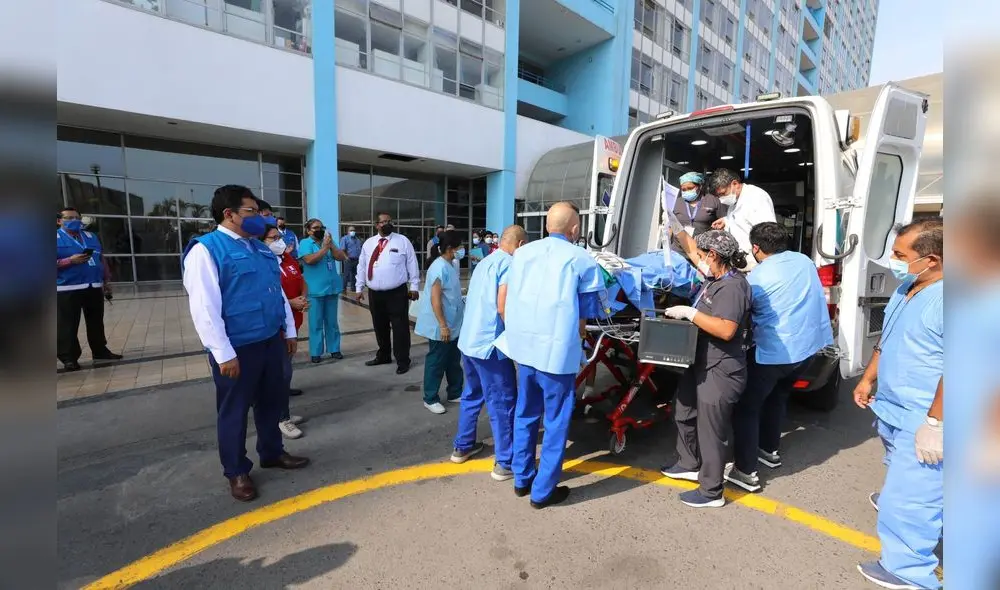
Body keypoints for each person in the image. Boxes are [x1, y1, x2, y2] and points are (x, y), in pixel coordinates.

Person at [182, 185, 308, 502]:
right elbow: (204, 308)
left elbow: (276, 293)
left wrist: (289, 331)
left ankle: (272, 452)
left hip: (270, 341)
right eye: (251, 211)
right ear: (230, 214)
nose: (259, 217)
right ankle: (237, 471)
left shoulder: (260, 247)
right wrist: (223, 354)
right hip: (237, 349)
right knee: (234, 411)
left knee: (271, 402)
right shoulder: (206, 250)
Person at [495, 202, 607, 509]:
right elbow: (588, 310)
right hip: (556, 354)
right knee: (556, 421)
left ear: (546, 226)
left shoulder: (522, 254)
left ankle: (522, 479)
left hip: (523, 348)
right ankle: (543, 491)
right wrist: (582, 333)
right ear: (574, 230)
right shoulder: (580, 258)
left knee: (526, 413)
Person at [854, 219, 943, 590]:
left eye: (900, 255)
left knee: (911, 503)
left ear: (932, 259)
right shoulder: (909, 285)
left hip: (925, 415)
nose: (892, 260)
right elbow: (887, 338)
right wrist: (869, 376)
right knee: (907, 481)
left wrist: (935, 425)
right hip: (895, 406)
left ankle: (909, 572)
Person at [725, 222, 833, 492]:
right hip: (807, 349)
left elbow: (738, 315)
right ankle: (768, 450)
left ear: (756, 248)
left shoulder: (756, 279)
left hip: (775, 353)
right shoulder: (804, 261)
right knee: (778, 396)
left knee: (746, 408)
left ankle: (745, 471)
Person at [659, 230, 752, 508]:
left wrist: (690, 314)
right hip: (700, 359)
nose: (699, 259)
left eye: (703, 255)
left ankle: (711, 491)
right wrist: (675, 230)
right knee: (684, 410)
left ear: (714, 255)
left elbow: (726, 329)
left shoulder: (733, 287)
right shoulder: (716, 276)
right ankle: (688, 462)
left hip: (721, 368)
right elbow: (692, 250)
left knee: (712, 431)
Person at [451, 225, 528, 478]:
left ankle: (462, 446)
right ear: (519, 244)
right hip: (489, 347)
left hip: (469, 341)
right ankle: (505, 462)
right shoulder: (509, 264)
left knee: (472, 394)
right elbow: (503, 306)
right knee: (503, 402)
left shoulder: (485, 262)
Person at [56, 207, 122, 371]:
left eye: (77, 218)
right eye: (69, 218)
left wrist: (106, 280)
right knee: (68, 324)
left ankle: (100, 351)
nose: (74, 221)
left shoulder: (91, 236)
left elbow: (101, 258)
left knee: (96, 322)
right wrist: (69, 261)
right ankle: (68, 357)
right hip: (67, 287)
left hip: (93, 285)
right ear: (59, 221)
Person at [356, 212, 420, 374]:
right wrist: (359, 287)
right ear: (376, 225)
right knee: (379, 326)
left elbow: (412, 263)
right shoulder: (369, 243)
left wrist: (414, 286)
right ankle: (384, 355)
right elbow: (362, 266)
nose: (387, 224)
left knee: (400, 327)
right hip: (375, 293)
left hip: (397, 293)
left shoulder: (402, 241)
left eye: (389, 221)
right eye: (383, 222)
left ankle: (403, 360)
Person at [261, 224, 309, 439]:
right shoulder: (263, 263)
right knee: (280, 374)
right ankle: (281, 418)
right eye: (273, 238)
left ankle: (284, 412)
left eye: (279, 237)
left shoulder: (287, 259)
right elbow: (266, 295)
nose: (279, 241)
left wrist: (302, 298)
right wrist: (291, 302)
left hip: (292, 323)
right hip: (275, 326)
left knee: (286, 372)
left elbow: (301, 280)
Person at [414, 230, 466, 414]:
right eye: (460, 246)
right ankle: (430, 398)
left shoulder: (449, 265)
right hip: (441, 325)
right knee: (437, 361)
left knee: (453, 360)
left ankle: (455, 392)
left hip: (453, 324)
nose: (462, 249)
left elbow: (449, 292)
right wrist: (443, 325)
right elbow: (435, 299)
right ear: (451, 248)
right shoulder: (439, 267)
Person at [298, 218, 349, 363]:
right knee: (316, 322)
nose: (319, 230)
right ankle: (316, 351)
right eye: (315, 228)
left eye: (321, 227)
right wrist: (325, 249)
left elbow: (341, 257)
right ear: (308, 230)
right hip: (315, 290)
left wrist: (331, 245)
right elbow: (309, 260)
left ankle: (334, 349)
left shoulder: (329, 242)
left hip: (331, 288)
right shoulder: (305, 243)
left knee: (332, 322)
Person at [707, 168, 776, 270]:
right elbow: (741, 219)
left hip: (756, 263)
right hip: (740, 261)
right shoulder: (735, 200)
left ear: (734, 183)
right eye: (718, 196)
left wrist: (763, 264)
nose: (721, 200)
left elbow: (768, 233)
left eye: (723, 193)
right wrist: (726, 221)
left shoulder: (756, 197)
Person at [673, 172, 722, 242]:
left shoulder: (713, 200)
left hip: (703, 248)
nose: (687, 191)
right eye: (683, 189)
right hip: (679, 248)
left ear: (700, 186)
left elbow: (723, 222)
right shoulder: (677, 202)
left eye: (690, 188)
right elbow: (670, 225)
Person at [340, 225, 363, 293]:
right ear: (348, 232)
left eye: (354, 230)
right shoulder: (344, 239)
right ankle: (343, 289)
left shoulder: (357, 239)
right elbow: (342, 250)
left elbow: (360, 249)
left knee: (355, 274)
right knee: (346, 275)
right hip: (348, 259)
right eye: (351, 230)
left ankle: (353, 288)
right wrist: (346, 257)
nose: (353, 231)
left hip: (356, 259)